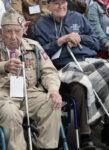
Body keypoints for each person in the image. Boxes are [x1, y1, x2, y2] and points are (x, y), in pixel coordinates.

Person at [31, 0, 109, 148]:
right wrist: (59, 41)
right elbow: (38, 54)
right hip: (63, 65)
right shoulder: (41, 25)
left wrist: (80, 38)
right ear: (48, 6)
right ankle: (85, 135)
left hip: (88, 60)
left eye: (63, 2)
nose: (61, 6)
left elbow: (96, 42)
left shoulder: (78, 18)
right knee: (80, 84)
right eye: (57, 3)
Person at [0, 8, 62, 150]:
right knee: (10, 113)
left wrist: (53, 89)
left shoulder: (33, 47)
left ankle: (47, 147)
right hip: (3, 96)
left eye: (18, 31)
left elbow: (49, 71)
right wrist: (4, 66)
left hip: (30, 93)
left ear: (24, 30)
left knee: (52, 103)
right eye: (9, 31)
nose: (14, 36)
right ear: (1, 32)